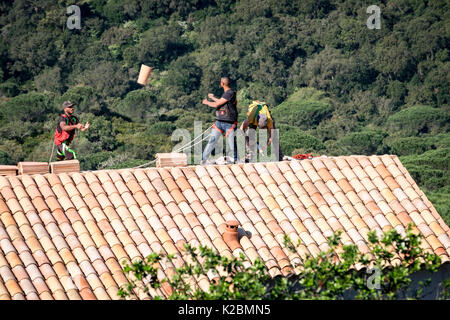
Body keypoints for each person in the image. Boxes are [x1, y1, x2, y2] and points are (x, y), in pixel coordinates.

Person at [201, 77, 238, 164]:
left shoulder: (230, 93)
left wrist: (207, 102)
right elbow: (221, 101)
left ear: (222, 83)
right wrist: (213, 97)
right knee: (212, 141)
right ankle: (203, 160)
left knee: (231, 144)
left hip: (229, 123)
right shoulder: (227, 94)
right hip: (219, 122)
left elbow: (217, 104)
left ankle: (236, 160)